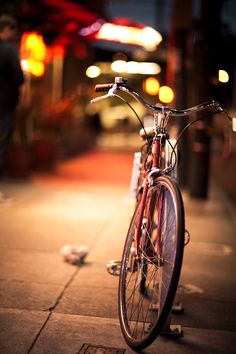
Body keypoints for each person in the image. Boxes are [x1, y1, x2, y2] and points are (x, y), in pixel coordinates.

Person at [0, 15, 24, 176]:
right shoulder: (9, 49)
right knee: (1, 141)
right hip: (5, 102)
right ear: (7, 30)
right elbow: (18, 77)